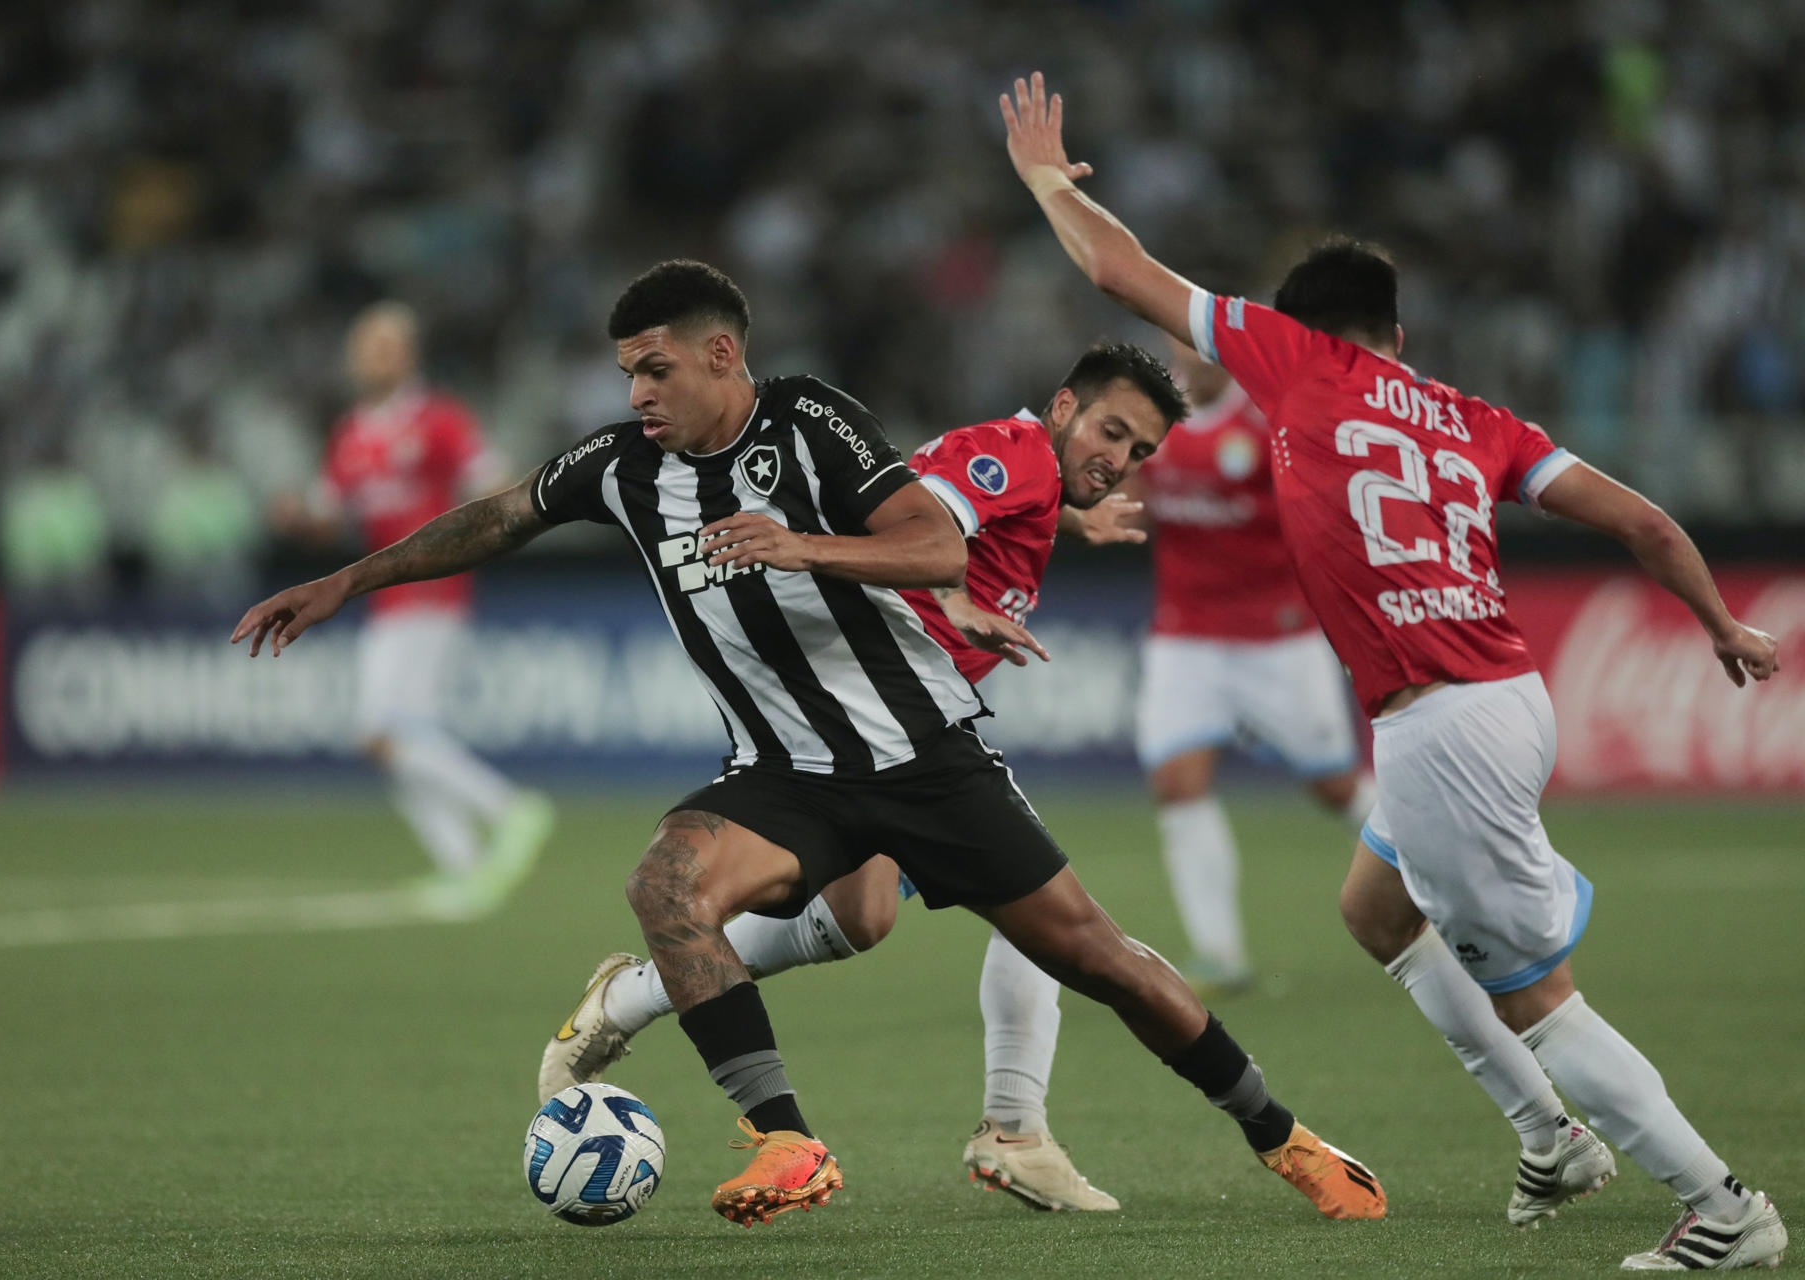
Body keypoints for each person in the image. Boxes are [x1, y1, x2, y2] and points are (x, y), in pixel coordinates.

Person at [234, 260, 1387, 1228]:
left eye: (655, 367)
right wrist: (350, 576)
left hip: (922, 750)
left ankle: (1283, 1137)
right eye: (627, 369)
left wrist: (799, 548)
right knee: (666, 882)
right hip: (785, 770)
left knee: (1095, 955)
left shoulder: (809, 420)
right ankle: (788, 1139)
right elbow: (496, 516)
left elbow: (934, 545)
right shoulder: (620, 467)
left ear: (723, 356)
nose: (635, 390)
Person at [1001, 72, 1786, 1269]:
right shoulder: (1478, 417)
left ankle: (1722, 1204)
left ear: (1303, 329)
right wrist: (1721, 623)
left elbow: (1119, 272)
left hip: (1441, 726)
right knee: (1374, 905)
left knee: (1543, 998)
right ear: (1400, 336)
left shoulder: (1297, 365)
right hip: (1515, 695)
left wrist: (1048, 178)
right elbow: (1648, 526)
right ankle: (1546, 1134)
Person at [537, 343, 1170, 1213]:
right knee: (1044, 914)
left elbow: (936, 500)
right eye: (1113, 431)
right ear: (1063, 407)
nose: (1121, 459)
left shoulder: (1037, 475)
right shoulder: (1013, 452)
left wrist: (1067, 519)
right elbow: (923, 516)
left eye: (1140, 452)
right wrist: (950, 598)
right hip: (872, 715)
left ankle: (630, 996)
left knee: (863, 918)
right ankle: (1015, 1129)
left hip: (911, 734)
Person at [273, 302, 552, 908]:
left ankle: (511, 809)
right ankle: (467, 869)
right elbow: (331, 517)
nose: (370, 357)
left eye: (382, 346)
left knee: (383, 733)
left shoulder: (438, 419)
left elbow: (493, 479)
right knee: (400, 738)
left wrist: (473, 526)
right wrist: (299, 519)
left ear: (407, 354)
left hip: (431, 592)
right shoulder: (351, 433)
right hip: (384, 599)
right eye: (364, 346)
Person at [1133, 333, 1374, 995]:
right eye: (1183, 348)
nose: (1196, 360)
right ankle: (1219, 953)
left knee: (1335, 789)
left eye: (1206, 346)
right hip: (1184, 637)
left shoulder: (1270, 423)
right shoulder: (1154, 419)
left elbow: (1324, 522)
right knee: (1177, 783)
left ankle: (1447, 883)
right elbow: (1128, 494)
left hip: (1278, 638)